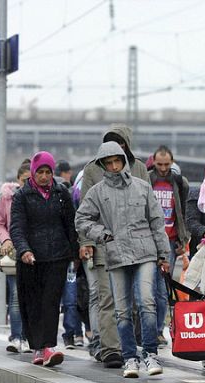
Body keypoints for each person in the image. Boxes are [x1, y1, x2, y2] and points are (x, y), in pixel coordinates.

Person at [76, 141, 171, 378]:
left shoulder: (142, 187)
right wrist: (102, 235)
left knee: (147, 302)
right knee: (122, 310)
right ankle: (129, 357)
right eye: (108, 163)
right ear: (103, 165)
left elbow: (156, 221)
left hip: (145, 252)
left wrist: (163, 254)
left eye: (117, 160)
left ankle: (150, 354)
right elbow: (81, 219)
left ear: (124, 160)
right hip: (116, 255)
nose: (114, 166)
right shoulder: (97, 192)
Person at [78, 123, 148, 369]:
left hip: (136, 246)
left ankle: (129, 345)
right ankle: (110, 348)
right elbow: (85, 211)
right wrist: (87, 241)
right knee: (107, 297)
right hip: (104, 245)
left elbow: (149, 208)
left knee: (135, 301)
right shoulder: (92, 170)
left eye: (120, 142)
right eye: (110, 141)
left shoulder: (140, 169)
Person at [10, 151, 78, 367]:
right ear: (33, 172)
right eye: (40, 172)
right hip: (30, 260)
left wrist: (75, 252)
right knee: (33, 303)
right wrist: (24, 250)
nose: (44, 176)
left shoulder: (61, 193)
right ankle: (37, 347)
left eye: (48, 172)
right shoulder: (22, 196)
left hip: (57, 256)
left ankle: (48, 346)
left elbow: (71, 224)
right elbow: (17, 227)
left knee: (50, 302)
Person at [148, 146, 190, 346]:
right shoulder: (146, 181)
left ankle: (157, 330)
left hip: (170, 242)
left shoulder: (180, 183)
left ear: (172, 162)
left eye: (167, 164)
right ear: (153, 162)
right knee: (147, 288)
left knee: (162, 289)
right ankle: (146, 330)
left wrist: (183, 240)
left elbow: (184, 213)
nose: (163, 168)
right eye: (159, 164)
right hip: (147, 240)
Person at [0, 160, 32, 353]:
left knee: (33, 297)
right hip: (15, 252)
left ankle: (30, 337)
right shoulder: (7, 198)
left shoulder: (42, 196)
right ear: (18, 179)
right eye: (24, 180)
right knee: (16, 296)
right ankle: (17, 336)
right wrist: (6, 240)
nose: (27, 183)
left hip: (37, 252)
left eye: (30, 179)